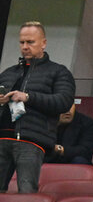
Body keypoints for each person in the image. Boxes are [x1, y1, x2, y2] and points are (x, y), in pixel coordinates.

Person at [0, 21, 75, 193]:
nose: (25, 47)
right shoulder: (8, 72)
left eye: (30, 42)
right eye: (22, 42)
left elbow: (63, 101)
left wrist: (28, 97)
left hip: (31, 140)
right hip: (1, 138)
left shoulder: (59, 72)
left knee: (27, 192)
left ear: (44, 43)